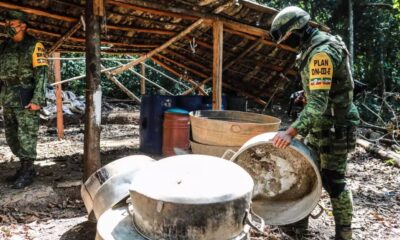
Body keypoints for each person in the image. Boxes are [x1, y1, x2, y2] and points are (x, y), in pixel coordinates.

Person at [269, 6, 360, 240]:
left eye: (289, 38)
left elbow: (318, 105)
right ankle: (298, 226)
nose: (289, 43)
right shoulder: (313, 47)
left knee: (333, 180)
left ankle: (344, 234)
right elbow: (323, 91)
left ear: (298, 30)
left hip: (334, 127)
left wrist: (290, 132)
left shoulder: (321, 53)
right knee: (308, 173)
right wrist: (305, 92)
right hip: (321, 124)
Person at [0, 10, 48, 189]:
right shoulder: (4, 47)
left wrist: (38, 99)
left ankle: (28, 170)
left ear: (23, 26)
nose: (8, 27)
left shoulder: (34, 45)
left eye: (11, 24)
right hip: (7, 96)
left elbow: (42, 75)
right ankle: (23, 167)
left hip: (26, 96)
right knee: (12, 136)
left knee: (26, 135)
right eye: (7, 24)